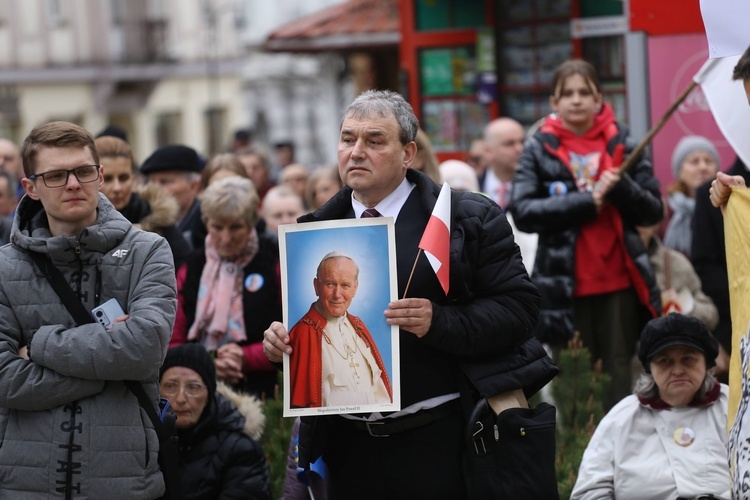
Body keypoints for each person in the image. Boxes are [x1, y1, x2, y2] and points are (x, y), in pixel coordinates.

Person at [263, 90, 553, 499]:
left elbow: (520, 310)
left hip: (442, 440)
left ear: (408, 153)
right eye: (348, 139)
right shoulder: (314, 231)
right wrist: (282, 346)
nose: (356, 152)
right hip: (349, 446)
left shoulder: (465, 218)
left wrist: (440, 321)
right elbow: (316, 333)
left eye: (374, 140)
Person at [0, 121, 177, 497]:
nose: (73, 184)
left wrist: (42, 347)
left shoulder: (148, 251)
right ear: (29, 187)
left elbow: (145, 349)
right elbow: (5, 378)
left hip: (125, 482)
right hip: (24, 483)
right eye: (56, 175)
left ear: (98, 176)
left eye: (82, 171)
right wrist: (111, 362)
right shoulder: (3, 269)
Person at [510, 59, 663, 409]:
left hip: (620, 282)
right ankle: (577, 459)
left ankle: (620, 455)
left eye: (584, 92)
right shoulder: (538, 146)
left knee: (619, 375)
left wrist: (622, 187)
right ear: (554, 102)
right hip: (564, 286)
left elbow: (654, 209)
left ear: (598, 98)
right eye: (568, 94)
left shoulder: (624, 141)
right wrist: (585, 202)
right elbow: (523, 211)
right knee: (573, 382)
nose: (576, 100)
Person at [571, 313, 729, 499]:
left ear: (707, 363)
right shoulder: (622, 418)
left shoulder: (732, 406)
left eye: (688, 359)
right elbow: (589, 492)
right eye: (665, 361)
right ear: (649, 368)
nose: (678, 370)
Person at [171, 176, 281, 398]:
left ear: (251, 223)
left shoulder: (275, 262)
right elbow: (173, 341)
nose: (226, 237)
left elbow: (294, 335)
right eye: (217, 227)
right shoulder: (190, 269)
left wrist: (245, 357)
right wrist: (209, 361)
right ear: (206, 222)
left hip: (264, 392)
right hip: (199, 391)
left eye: (236, 227)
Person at [159, 343, 272, 500]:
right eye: (170, 386)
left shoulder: (240, 451)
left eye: (193, 388)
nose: (180, 399)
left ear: (210, 395)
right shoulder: (145, 444)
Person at [288, 252, 392, 408]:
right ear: (316, 286)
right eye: (330, 284)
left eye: (345, 285)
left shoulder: (358, 326)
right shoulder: (303, 332)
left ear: (355, 289)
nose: (337, 295)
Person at [96, 135, 191, 269]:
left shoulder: (158, 221)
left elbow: (184, 275)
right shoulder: (79, 226)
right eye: (108, 179)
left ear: (133, 179)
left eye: (123, 178)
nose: (117, 187)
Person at [482, 117, 538, 274]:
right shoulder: (469, 188)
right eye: (509, 144)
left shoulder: (538, 190)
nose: (519, 149)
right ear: (488, 151)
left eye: (522, 141)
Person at [141, 144, 207, 251]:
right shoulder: (143, 221)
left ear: (194, 185)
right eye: (151, 181)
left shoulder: (207, 224)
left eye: (165, 182)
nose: (155, 189)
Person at [662, 135, 719, 257]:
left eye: (708, 161)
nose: (703, 167)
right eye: (694, 161)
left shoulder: (725, 210)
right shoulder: (665, 213)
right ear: (680, 171)